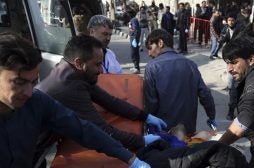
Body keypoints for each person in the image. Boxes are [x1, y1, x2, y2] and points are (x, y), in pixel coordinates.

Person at [0, 32, 160, 168]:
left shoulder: (37, 101)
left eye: (33, 82)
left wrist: (132, 160)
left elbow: (83, 129)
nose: (28, 92)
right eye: (19, 82)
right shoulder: (64, 86)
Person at [36, 35, 167, 152]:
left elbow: (108, 101)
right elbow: (102, 132)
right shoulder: (69, 87)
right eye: (97, 64)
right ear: (79, 63)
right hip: (29, 150)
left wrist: (145, 116)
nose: (100, 70)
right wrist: (141, 141)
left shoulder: (71, 70)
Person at [144, 29, 216, 135]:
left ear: (160, 43)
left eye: (150, 48)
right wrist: (211, 116)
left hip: (163, 132)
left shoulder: (152, 67)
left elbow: (151, 103)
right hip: (188, 131)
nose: (149, 53)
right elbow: (205, 94)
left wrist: (147, 124)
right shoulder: (190, 64)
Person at [219, 36, 254, 168]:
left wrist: (217, 145)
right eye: (227, 63)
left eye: (234, 62)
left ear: (250, 60)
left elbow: (245, 119)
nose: (229, 68)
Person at [128, 9, 141, 74]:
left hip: (134, 39)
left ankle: (137, 68)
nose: (128, 15)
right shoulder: (132, 20)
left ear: (131, 14)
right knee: (133, 53)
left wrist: (135, 39)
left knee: (134, 53)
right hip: (132, 38)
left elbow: (136, 30)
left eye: (129, 13)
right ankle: (135, 66)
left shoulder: (134, 20)